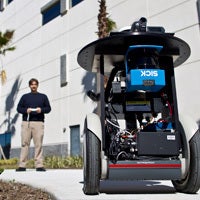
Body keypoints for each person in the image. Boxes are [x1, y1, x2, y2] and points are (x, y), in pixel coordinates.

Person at [16, 78, 51, 171]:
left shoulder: (43, 97)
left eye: (35, 84)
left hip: (38, 123)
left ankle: (39, 165)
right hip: (26, 123)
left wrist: (41, 110)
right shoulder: (24, 97)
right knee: (24, 143)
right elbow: (18, 108)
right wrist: (25, 110)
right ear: (29, 86)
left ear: (37, 85)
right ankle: (22, 165)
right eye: (32, 84)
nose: (33, 86)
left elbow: (48, 108)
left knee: (38, 144)